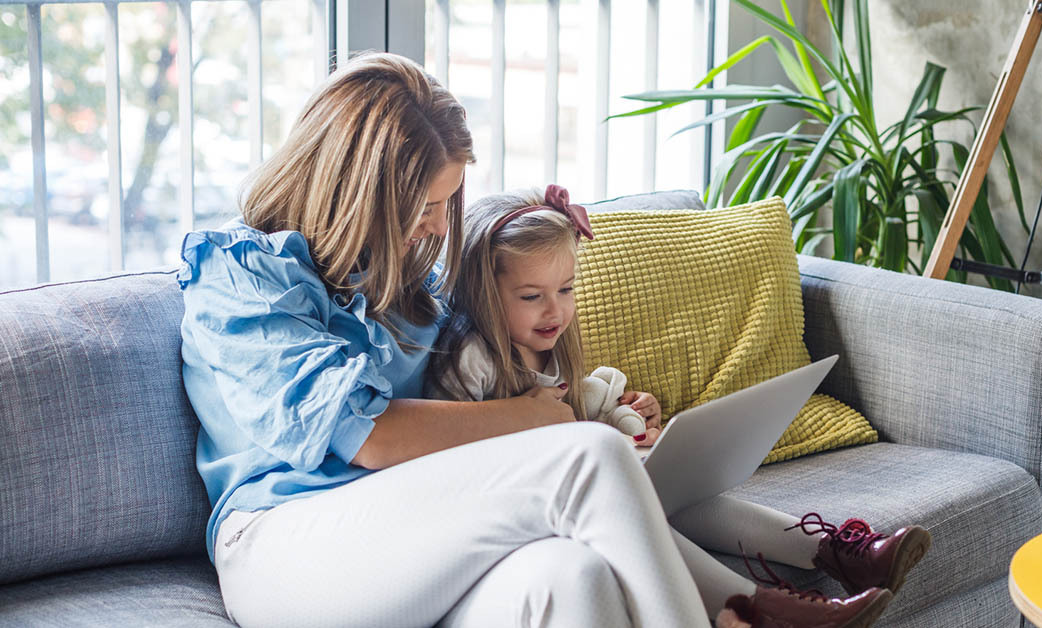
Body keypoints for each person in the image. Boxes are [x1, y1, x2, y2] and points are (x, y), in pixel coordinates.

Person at [175, 50, 919, 628]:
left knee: (576, 577)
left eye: (445, 205)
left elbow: (480, 389)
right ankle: (738, 612)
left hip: (414, 535)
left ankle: (772, 590)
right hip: (286, 550)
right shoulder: (245, 279)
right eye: (425, 206)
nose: (439, 226)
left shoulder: (403, 285)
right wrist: (552, 421)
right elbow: (369, 437)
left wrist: (597, 412)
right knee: (586, 455)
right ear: (359, 189)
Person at [426, 186, 933, 626]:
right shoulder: (474, 360)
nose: (555, 309)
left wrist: (626, 411)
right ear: (485, 293)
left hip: (566, 491)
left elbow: (572, 419)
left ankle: (837, 553)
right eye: (532, 295)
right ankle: (766, 609)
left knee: (682, 493)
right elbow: (452, 455)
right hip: (513, 513)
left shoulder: (549, 343)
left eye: (566, 289)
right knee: (644, 512)